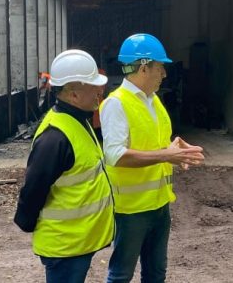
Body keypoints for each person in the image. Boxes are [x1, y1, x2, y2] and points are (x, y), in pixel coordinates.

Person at [100, 33, 205, 283]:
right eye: (160, 68)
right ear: (144, 67)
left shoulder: (153, 100)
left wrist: (175, 150)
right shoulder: (116, 104)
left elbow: (155, 144)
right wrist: (165, 154)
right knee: (121, 275)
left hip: (159, 204)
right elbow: (114, 155)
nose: (164, 74)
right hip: (131, 210)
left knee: (156, 274)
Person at [14, 49, 114, 283]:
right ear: (74, 94)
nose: (100, 91)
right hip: (65, 247)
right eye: (94, 86)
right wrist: (26, 222)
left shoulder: (79, 121)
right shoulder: (55, 137)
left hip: (77, 243)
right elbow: (33, 189)